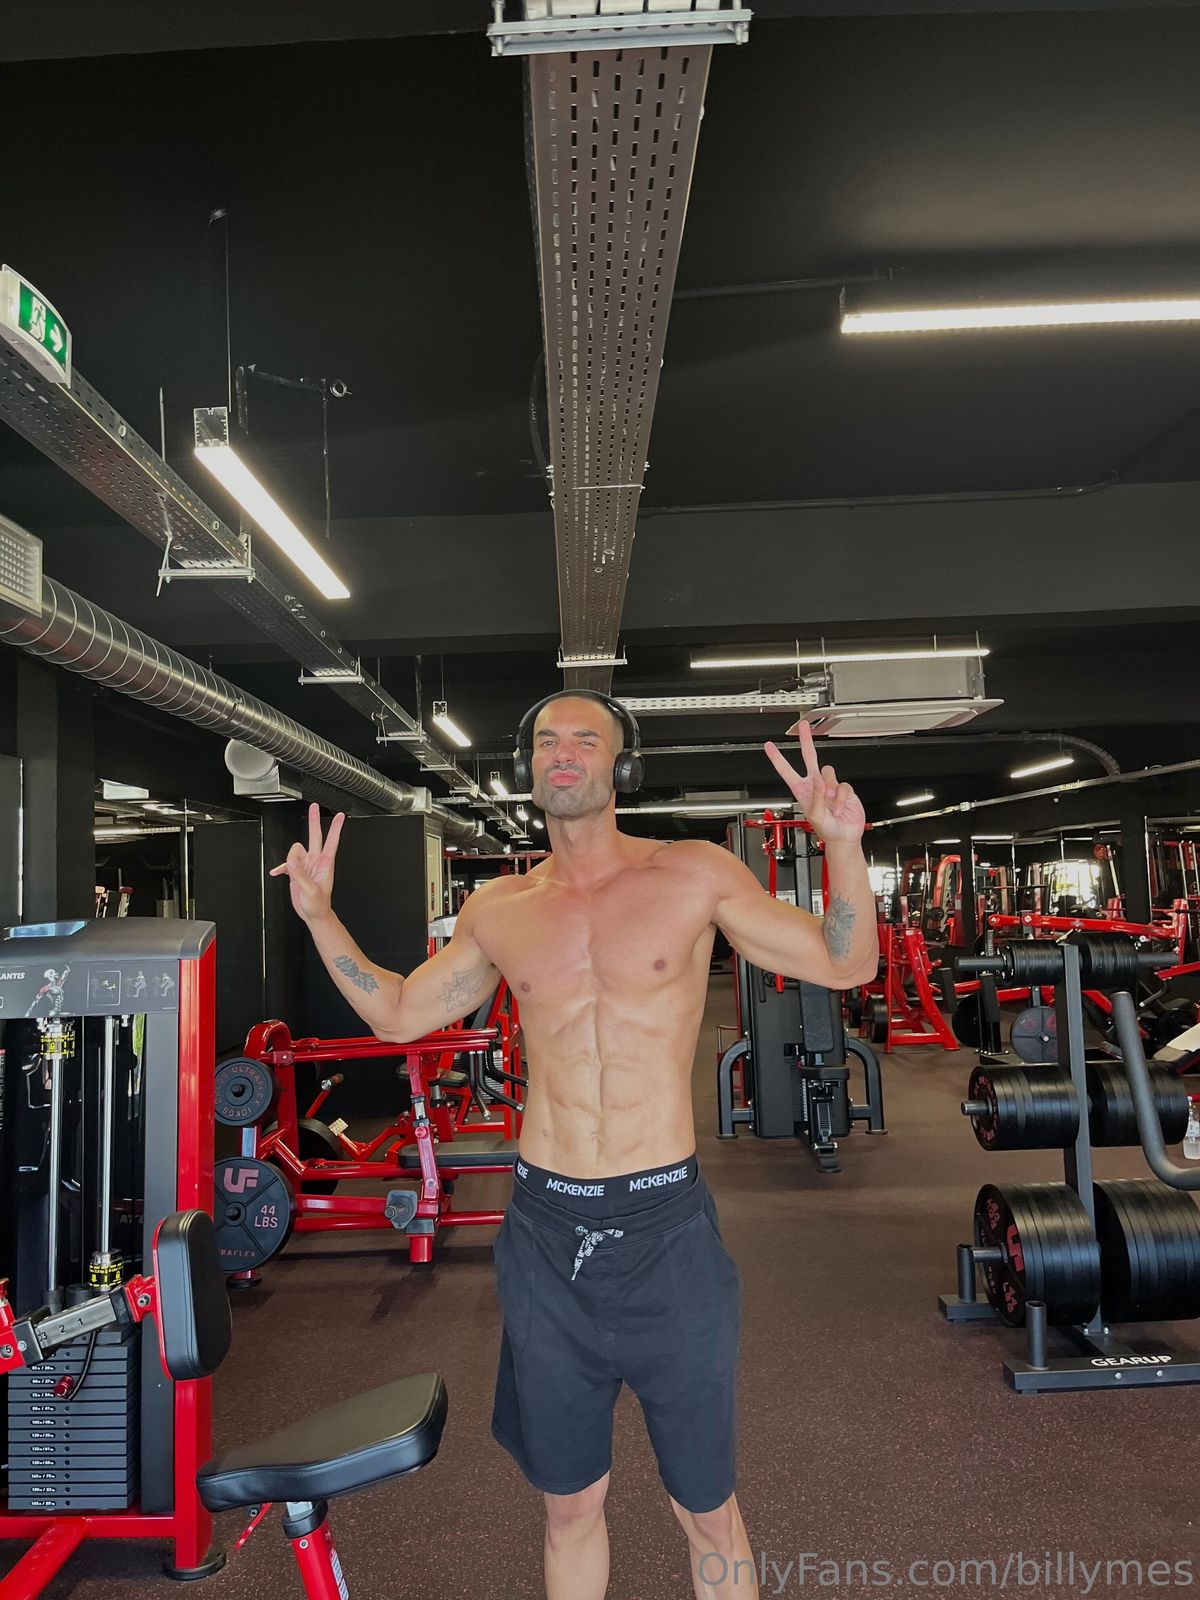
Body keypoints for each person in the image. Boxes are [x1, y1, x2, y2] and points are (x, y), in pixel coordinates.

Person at [271, 693, 877, 1600]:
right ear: (527, 769)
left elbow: (846, 962)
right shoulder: (500, 907)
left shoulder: (694, 874)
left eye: (585, 740)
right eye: (547, 741)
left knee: (707, 1507)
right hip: (547, 1237)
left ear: (622, 767)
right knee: (568, 1507)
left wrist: (841, 845)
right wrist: (320, 915)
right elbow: (397, 1013)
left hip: (668, 1234)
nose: (564, 753)